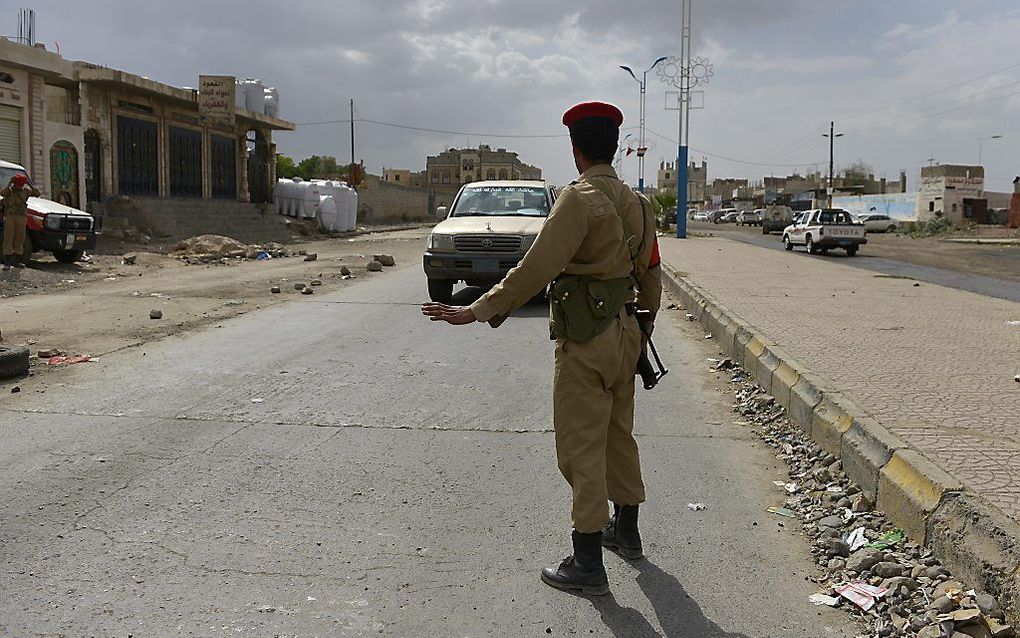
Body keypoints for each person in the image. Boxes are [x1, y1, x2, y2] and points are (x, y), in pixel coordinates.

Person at [421, 101, 662, 595]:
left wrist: (477, 310)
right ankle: (628, 533)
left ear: (575, 149)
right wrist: (643, 331)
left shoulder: (577, 200)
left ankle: (588, 562)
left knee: (581, 447)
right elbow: (652, 272)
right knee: (620, 435)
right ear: (614, 147)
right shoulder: (638, 203)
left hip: (587, 340)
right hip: (626, 333)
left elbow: (535, 267)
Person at [1, 173, 40, 271]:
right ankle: (7, 262)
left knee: (20, 237)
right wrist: (10, 183)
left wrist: (29, 184)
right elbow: (2, 193)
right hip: (10, 216)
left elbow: (37, 193)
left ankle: (17, 260)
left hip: (21, 217)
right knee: (8, 238)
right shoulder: (9, 191)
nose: (19, 186)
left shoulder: (25, 191)